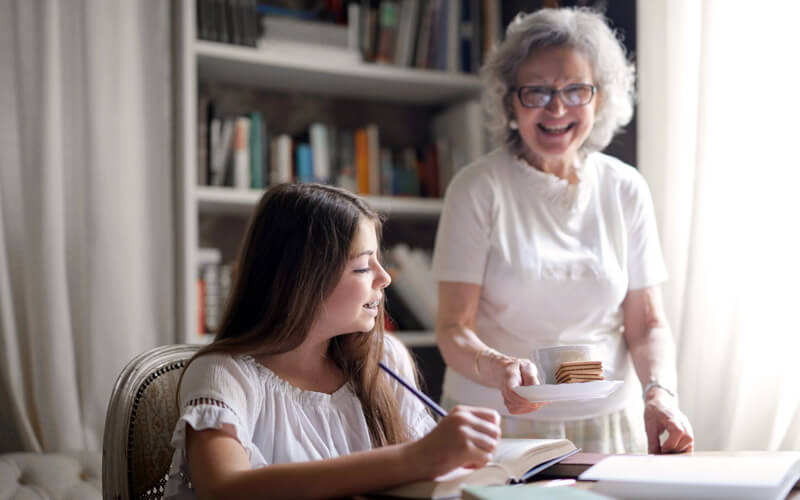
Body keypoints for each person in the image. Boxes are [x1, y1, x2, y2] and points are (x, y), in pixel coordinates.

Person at [432, 7, 694, 454]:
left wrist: (660, 392)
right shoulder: (477, 188)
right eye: (536, 91)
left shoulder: (625, 188)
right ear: (509, 99)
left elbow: (647, 323)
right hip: (493, 420)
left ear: (600, 97)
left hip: (608, 420)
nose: (556, 108)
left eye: (575, 89)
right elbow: (454, 328)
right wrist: (498, 368)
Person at [165, 183, 501, 499]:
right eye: (362, 267)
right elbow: (223, 489)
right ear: (303, 281)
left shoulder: (385, 360)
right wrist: (412, 459)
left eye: (378, 261)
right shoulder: (225, 375)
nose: (385, 278)